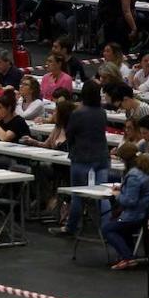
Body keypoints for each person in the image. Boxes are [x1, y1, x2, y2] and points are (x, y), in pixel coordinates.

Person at [55, 81, 112, 238]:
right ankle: (107, 228)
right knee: (103, 194)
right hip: (101, 156)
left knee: (78, 194)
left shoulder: (78, 113)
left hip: (82, 157)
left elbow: (70, 134)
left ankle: (71, 227)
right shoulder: (102, 112)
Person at [102, 144, 149, 269]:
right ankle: (128, 254)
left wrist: (118, 194)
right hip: (148, 213)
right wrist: (123, 188)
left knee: (108, 229)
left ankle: (128, 257)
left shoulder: (134, 175)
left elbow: (130, 201)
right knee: (122, 227)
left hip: (136, 215)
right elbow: (143, 189)